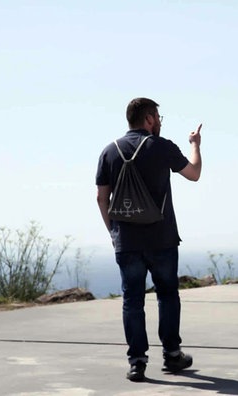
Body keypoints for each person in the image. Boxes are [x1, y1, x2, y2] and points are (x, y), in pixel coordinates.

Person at [95, 97, 202, 382]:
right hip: (162, 238)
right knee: (167, 296)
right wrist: (195, 144)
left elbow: (101, 198)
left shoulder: (109, 151)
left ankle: (137, 362)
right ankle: (172, 355)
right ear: (150, 119)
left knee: (132, 300)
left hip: (126, 241)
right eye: (158, 117)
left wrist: (114, 231)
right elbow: (194, 174)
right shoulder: (162, 146)